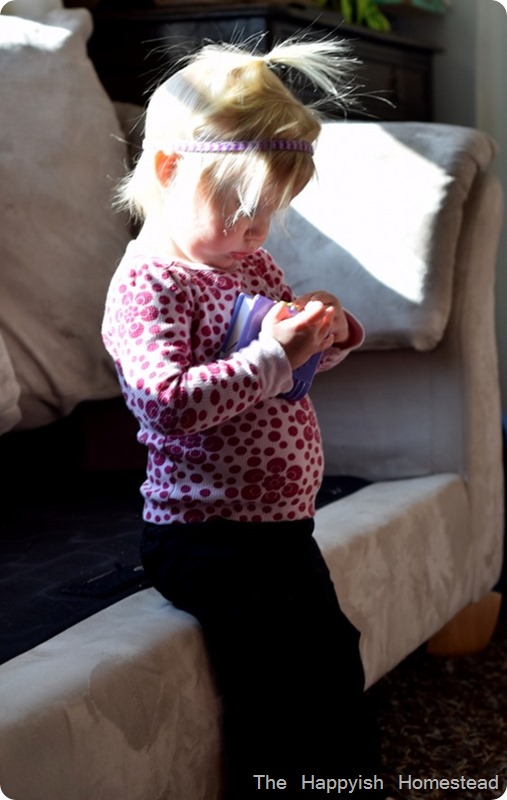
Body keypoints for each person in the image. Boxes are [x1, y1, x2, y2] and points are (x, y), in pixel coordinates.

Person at [102, 37, 389, 799]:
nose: (255, 233)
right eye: (238, 211)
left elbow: (282, 372)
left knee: (331, 660)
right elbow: (167, 406)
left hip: (280, 528)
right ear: (169, 170)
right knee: (272, 687)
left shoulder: (246, 263)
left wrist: (323, 336)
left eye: (268, 214)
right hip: (206, 537)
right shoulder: (148, 286)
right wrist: (271, 354)